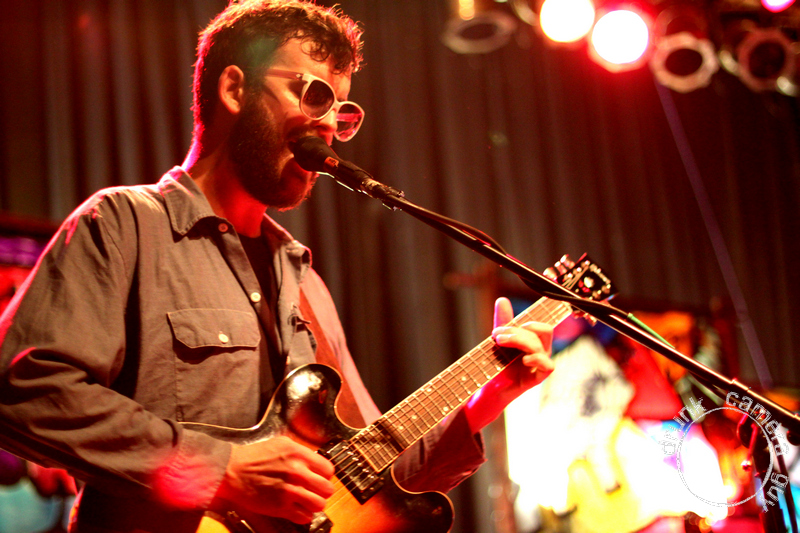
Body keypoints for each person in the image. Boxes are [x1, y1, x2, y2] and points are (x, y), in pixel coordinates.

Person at [0, 1, 554, 532]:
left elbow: (363, 478)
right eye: (314, 95)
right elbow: (23, 390)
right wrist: (221, 468)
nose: (329, 125)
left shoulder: (304, 280)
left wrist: (485, 402)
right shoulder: (125, 224)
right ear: (234, 89)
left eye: (342, 111)